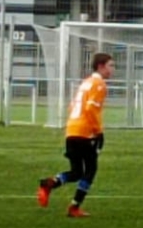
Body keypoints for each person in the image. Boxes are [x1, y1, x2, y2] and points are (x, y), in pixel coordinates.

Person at [38, 52, 113, 217]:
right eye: (110, 65)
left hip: (71, 129)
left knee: (77, 172)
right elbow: (91, 109)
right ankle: (74, 207)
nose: (112, 69)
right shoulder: (99, 84)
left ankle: (49, 183)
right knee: (91, 169)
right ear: (100, 66)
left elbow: (72, 106)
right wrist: (98, 132)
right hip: (84, 132)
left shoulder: (85, 83)